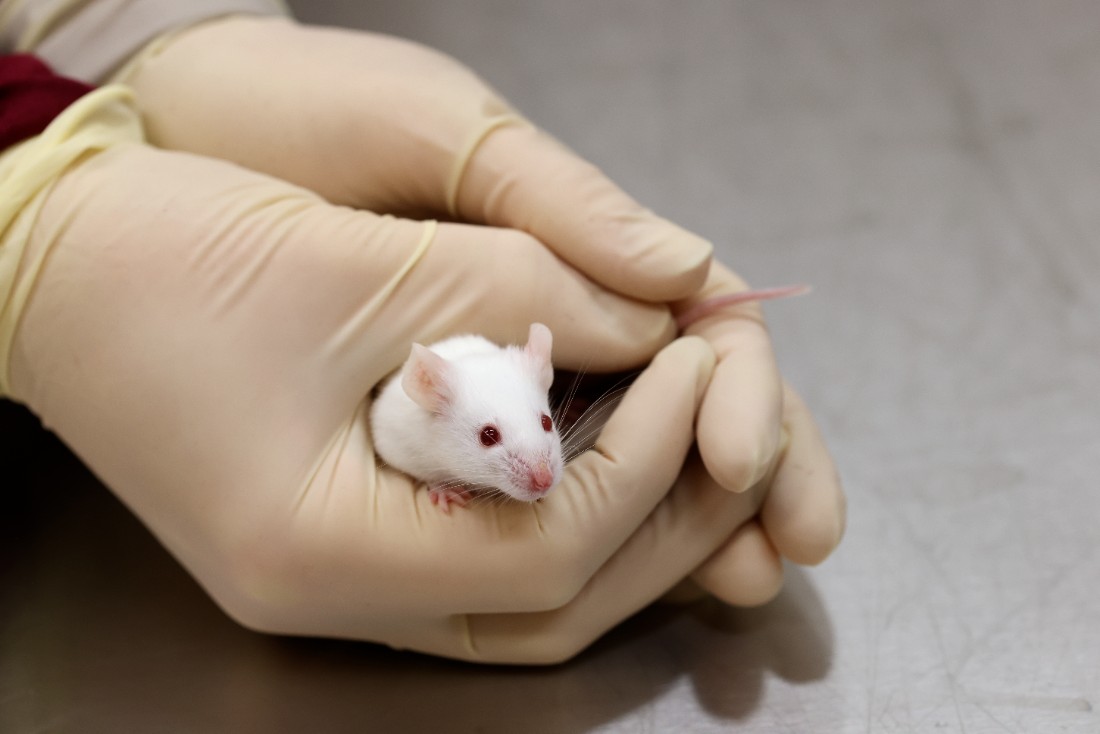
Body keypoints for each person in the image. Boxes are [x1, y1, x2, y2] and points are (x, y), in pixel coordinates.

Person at [0, 1, 845, 663]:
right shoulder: (417, 407)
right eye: (490, 436)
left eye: (545, 426)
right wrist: (28, 197)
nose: (541, 465)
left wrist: (131, 22)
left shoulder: (513, 397)